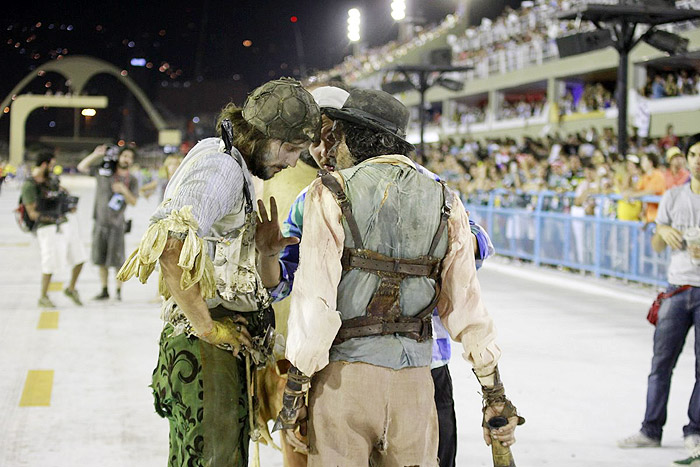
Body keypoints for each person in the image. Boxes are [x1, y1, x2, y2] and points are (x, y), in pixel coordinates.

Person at [271, 88, 523, 466]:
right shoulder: (444, 196)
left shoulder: (328, 193)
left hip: (345, 380)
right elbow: (468, 307)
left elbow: (315, 303)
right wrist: (494, 393)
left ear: (348, 136)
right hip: (417, 382)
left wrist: (296, 391)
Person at [116, 77, 320, 467]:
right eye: (291, 148)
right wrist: (208, 326)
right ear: (261, 134)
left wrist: (263, 251)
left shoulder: (232, 163)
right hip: (206, 352)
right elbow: (171, 245)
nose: (294, 161)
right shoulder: (220, 166)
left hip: (218, 354)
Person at [617, 133, 700, 465]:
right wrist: (661, 232)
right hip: (676, 290)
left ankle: (694, 431)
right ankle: (650, 429)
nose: (698, 160)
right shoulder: (673, 195)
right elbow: (656, 246)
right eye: (694, 153)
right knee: (660, 365)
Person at [21, 152, 86, 307]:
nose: (52, 168)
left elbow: (62, 196)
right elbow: (32, 213)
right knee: (49, 263)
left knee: (80, 258)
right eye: (51, 165)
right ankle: (43, 296)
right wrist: (50, 217)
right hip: (47, 228)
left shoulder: (53, 181)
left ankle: (71, 289)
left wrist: (68, 206)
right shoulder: (30, 185)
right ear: (44, 164)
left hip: (63, 223)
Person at [77, 145, 139, 300]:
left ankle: (118, 291)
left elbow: (133, 202)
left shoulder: (131, 180)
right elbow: (81, 167)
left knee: (118, 259)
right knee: (100, 258)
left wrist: (124, 190)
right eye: (124, 155)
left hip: (118, 225)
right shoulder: (104, 173)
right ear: (118, 157)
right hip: (100, 222)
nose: (126, 159)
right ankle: (104, 290)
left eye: (129, 157)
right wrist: (95, 154)